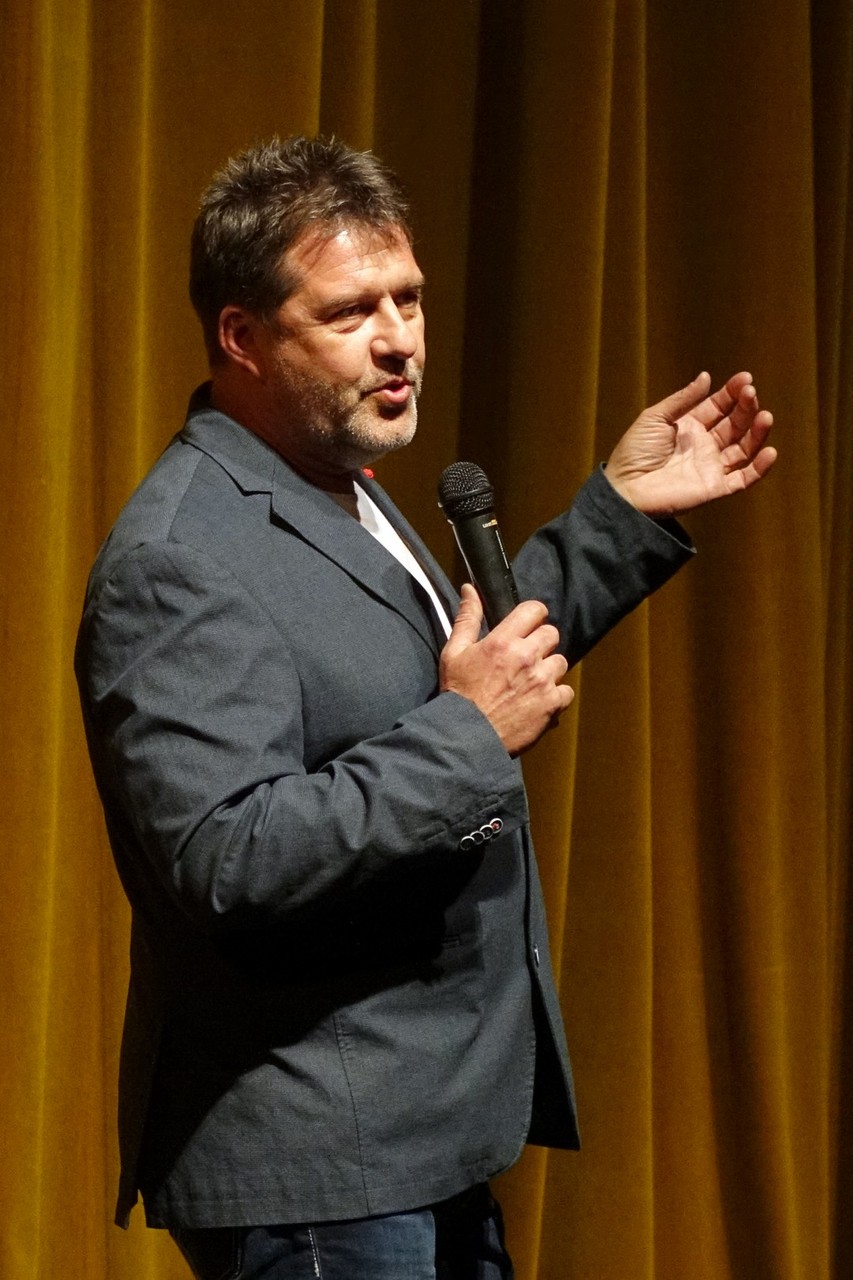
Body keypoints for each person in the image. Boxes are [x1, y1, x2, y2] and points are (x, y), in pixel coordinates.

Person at [75, 135, 775, 1280]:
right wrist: (465, 733)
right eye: (350, 311)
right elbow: (222, 857)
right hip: (319, 1169)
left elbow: (453, 668)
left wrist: (619, 513)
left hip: (420, 1139)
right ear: (241, 336)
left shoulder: (336, 489)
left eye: (407, 298)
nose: (398, 337)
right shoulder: (181, 557)